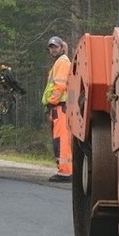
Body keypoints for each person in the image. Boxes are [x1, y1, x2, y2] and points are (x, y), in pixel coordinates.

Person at [42, 36, 72, 182]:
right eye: (51, 47)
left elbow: (60, 85)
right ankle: (64, 170)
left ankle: (65, 172)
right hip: (57, 107)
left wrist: (52, 101)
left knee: (61, 140)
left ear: (62, 47)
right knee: (59, 139)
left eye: (55, 47)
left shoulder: (62, 62)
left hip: (60, 106)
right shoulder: (59, 62)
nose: (52, 50)